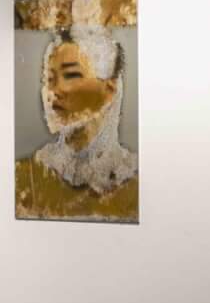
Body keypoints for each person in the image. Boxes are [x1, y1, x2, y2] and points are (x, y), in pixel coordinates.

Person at [17, 27, 138, 222]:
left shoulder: (135, 180)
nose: (53, 91)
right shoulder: (26, 176)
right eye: (48, 79)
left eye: (71, 75)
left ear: (110, 89)